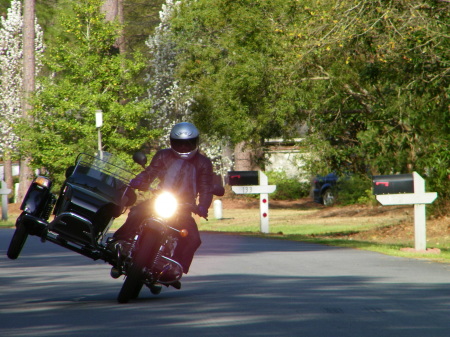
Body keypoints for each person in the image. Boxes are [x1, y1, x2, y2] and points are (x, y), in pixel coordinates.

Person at [111, 122, 214, 277]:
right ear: (172, 142)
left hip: (184, 207)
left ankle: (175, 267)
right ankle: (120, 243)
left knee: (193, 238)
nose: (184, 147)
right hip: (160, 199)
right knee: (136, 212)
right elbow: (151, 172)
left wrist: (203, 206)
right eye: (179, 143)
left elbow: (206, 187)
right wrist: (139, 180)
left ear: (195, 142)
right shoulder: (163, 155)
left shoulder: (203, 163)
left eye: (188, 143)